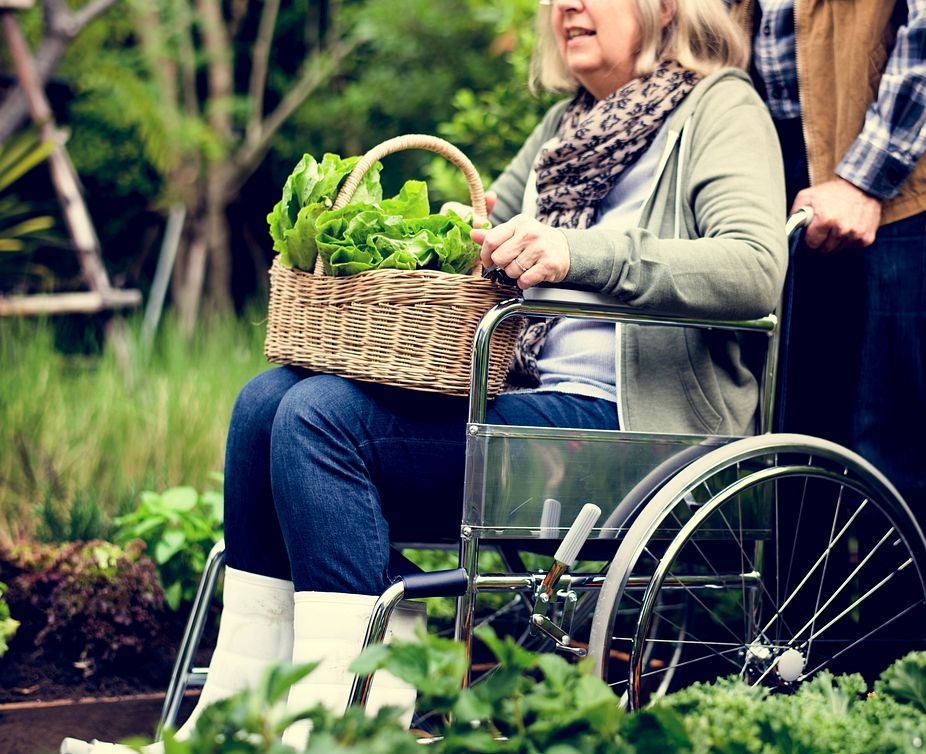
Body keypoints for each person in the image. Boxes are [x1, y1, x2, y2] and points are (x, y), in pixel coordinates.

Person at [62, 1, 786, 752]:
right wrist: (428, 246)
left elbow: (756, 269)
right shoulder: (567, 128)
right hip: (526, 404)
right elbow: (479, 226)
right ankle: (235, 723)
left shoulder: (719, 107)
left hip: (632, 435)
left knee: (319, 418)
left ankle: (347, 728)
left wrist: (580, 253)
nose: (566, 5)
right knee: (263, 402)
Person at [729, 0, 926, 539]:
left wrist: (864, 180)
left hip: (903, 175)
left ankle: (901, 625)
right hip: (785, 175)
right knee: (794, 458)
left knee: (885, 453)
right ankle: (793, 628)